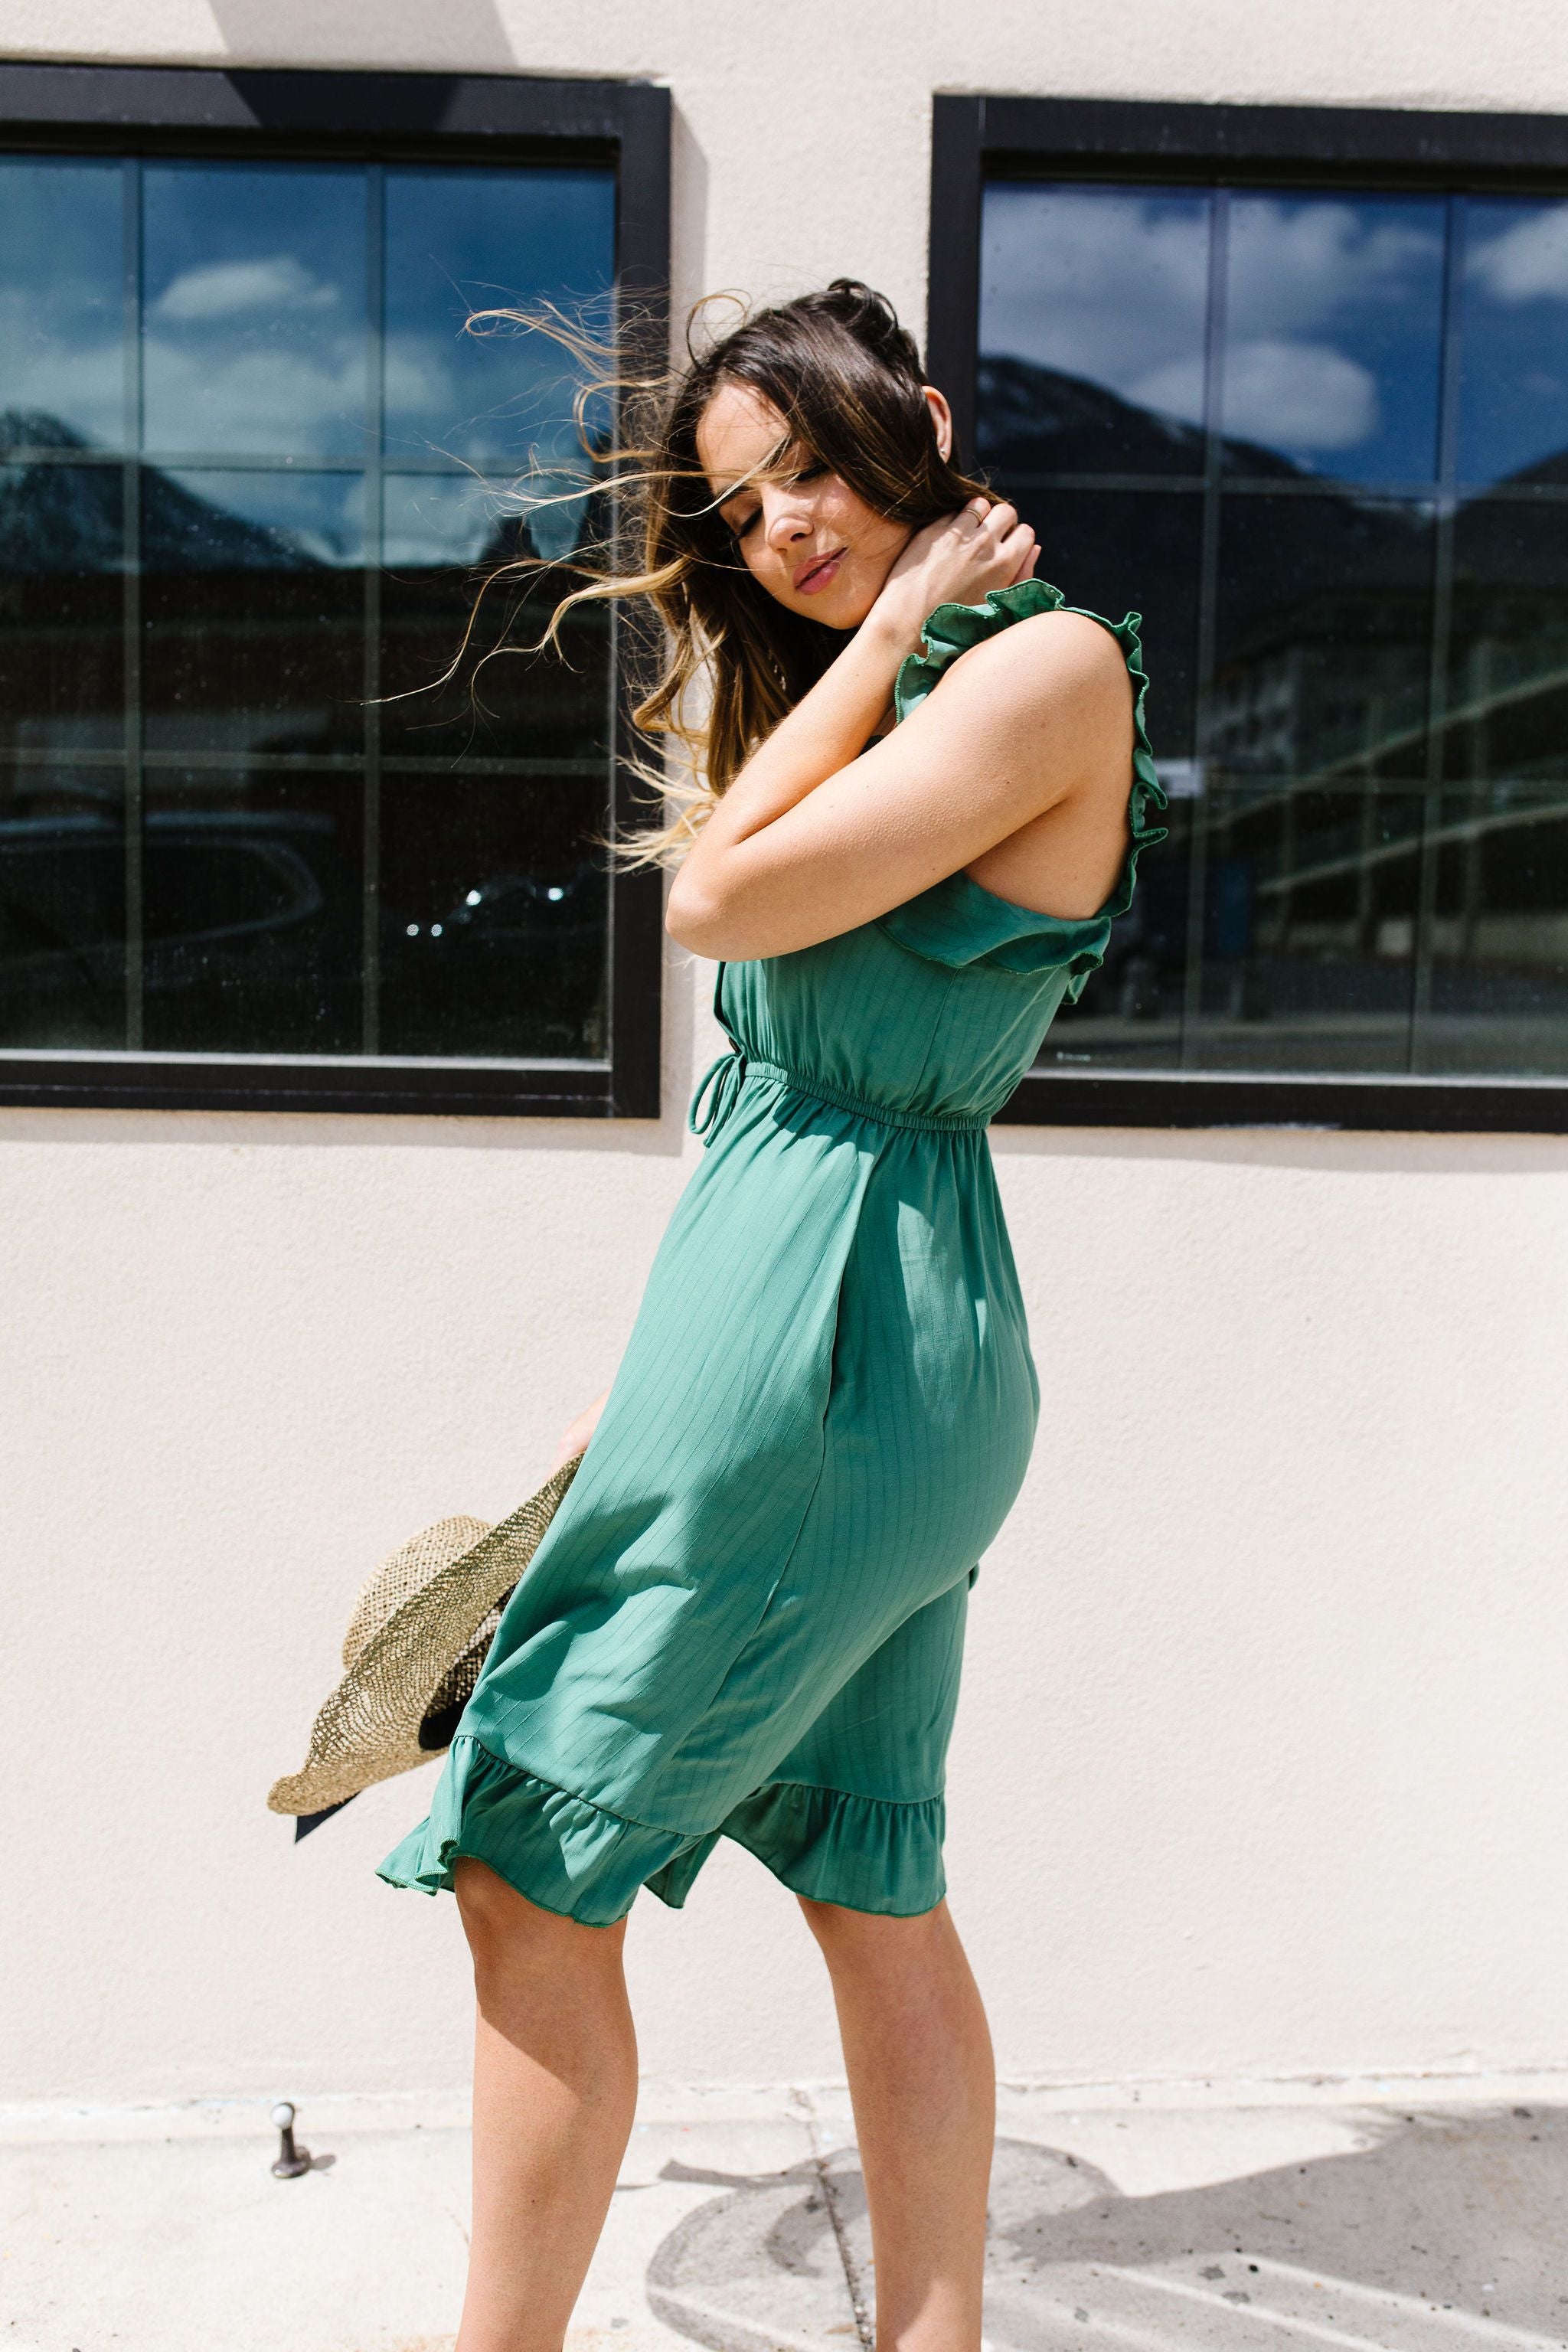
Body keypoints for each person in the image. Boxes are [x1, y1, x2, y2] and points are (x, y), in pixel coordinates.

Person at [378, 279, 1165, 2352]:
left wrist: (895, 631)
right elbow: (746, 898)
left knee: (526, 1867)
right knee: (873, 1879)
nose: (788, 526)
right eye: (745, 505)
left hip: (843, 1343)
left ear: (917, 417)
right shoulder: (871, 688)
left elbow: (717, 902)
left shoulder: (1044, 669)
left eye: (814, 465)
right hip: (830, 1333)